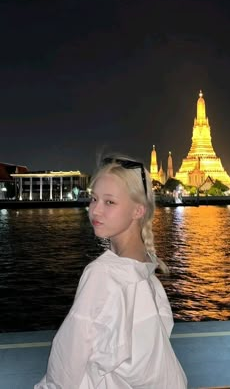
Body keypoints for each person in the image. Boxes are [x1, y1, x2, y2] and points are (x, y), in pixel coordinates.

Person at [35, 155, 187, 389]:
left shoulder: (102, 274)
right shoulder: (146, 264)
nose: (95, 210)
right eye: (93, 199)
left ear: (138, 210)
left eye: (109, 202)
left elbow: (67, 360)